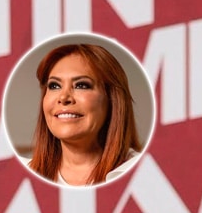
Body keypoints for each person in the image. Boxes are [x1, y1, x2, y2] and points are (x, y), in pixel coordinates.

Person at [26, 43, 142, 186]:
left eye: (81, 85)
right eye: (54, 86)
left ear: (112, 100)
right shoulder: (20, 176)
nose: (63, 98)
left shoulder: (142, 174)